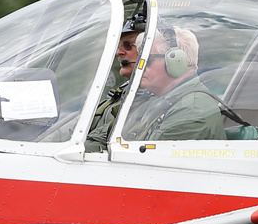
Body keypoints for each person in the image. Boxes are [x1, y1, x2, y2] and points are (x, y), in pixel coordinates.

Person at [123, 26, 226, 142]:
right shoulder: (161, 100)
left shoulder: (191, 110)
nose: (139, 67)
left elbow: (147, 156)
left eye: (148, 60)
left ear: (176, 62)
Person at [84, 14, 146, 153]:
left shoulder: (153, 100)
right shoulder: (122, 92)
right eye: (119, 45)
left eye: (128, 45)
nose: (119, 52)